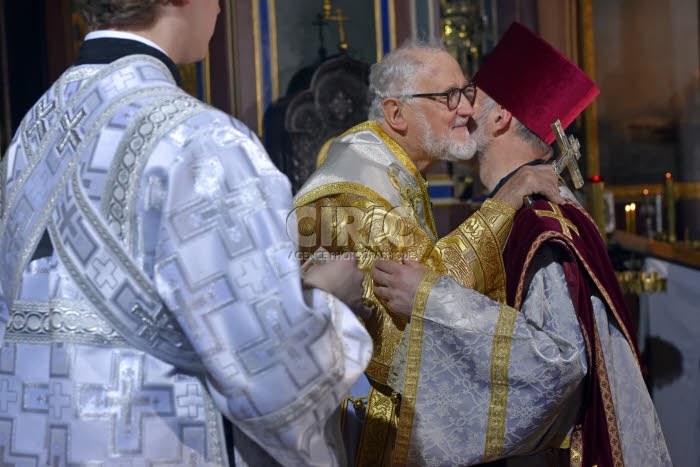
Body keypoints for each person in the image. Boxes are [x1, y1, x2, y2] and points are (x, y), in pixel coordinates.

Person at [0, 1, 373, 465]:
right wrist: (327, 297)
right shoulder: (200, 141)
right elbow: (272, 379)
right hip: (160, 442)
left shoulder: (34, 130)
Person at [371, 22, 672, 466]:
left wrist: (431, 298)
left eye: (469, 95)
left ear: (499, 118)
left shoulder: (541, 226)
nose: (459, 110)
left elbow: (559, 364)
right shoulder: (528, 211)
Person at [291, 38, 562, 465]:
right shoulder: (358, 187)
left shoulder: (388, 163)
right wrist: (506, 198)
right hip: (356, 420)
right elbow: (417, 292)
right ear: (396, 113)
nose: (468, 110)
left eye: (466, 93)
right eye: (447, 97)